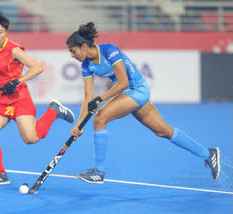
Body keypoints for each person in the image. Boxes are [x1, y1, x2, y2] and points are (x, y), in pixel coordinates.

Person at [66, 22, 220, 184]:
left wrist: (100, 99)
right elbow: (87, 98)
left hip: (137, 89)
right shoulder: (86, 65)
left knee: (100, 118)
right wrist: (78, 126)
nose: (71, 56)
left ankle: (98, 172)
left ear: (84, 46)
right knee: (162, 131)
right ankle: (208, 154)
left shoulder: (109, 50)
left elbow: (123, 82)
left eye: (72, 51)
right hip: (128, 93)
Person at [0, 10, 75, 185]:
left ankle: (54, 110)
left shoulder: (13, 50)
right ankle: (0, 174)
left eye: (0, 32)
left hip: (19, 99)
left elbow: (37, 68)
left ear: (6, 32)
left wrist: (18, 81)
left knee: (30, 139)